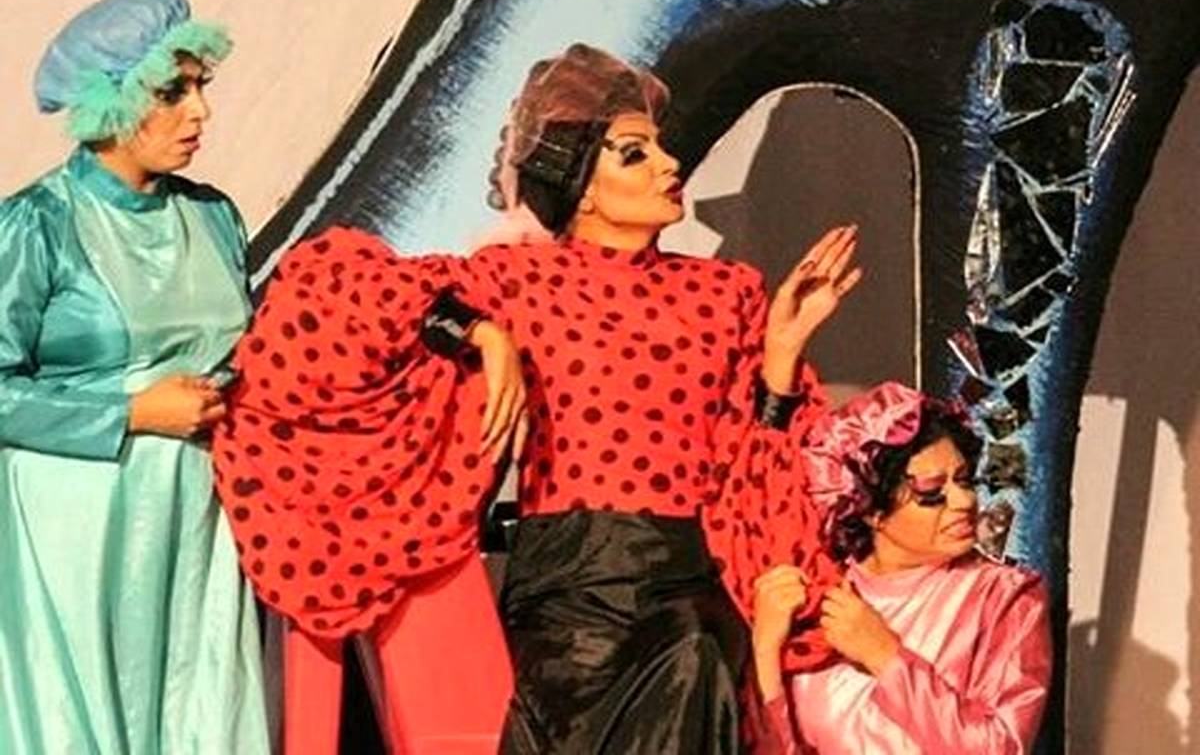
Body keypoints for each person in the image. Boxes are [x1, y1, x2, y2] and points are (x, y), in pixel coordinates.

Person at [212, 43, 859, 753]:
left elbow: (757, 475)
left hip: (688, 584)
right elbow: (331, 286)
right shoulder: (520, 278)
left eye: (659, 147)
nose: (670, 164)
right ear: (581, 187)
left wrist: (780, 356)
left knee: (694, 656)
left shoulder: (725, 292)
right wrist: (477, 330)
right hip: (570, 587)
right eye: (635, 153)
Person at [0, 0, 269, 754]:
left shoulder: (212, 215)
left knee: (199, 709)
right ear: (109, 100)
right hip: (78, 524)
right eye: (172, 92)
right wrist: (130, 412)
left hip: (195, 516)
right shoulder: (38, 224)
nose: (199, 112)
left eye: (201, 87)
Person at [752, 382, 1052, 754]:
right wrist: (765, 653)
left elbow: (1000, 748)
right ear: (871, 510)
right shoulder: (819, 592)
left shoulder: (1003, 597)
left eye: (964, 480)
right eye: (931, 494)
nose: (963, 501)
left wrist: (886, 658)